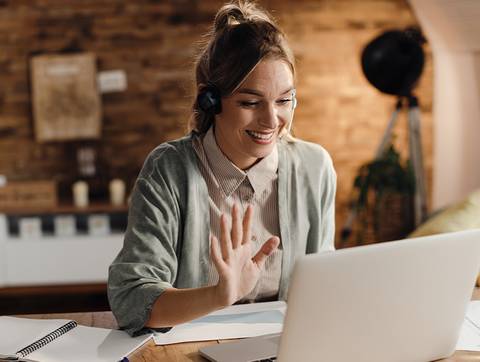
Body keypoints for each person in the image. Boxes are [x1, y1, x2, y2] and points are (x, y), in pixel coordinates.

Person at [108, 0, 336, 337]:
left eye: (284, 100)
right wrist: (218, 296)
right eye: (250, 102)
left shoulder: (315, 167)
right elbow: (131, 301)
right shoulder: (169, 170)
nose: (271, 120)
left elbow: (325, 284)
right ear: (210, 101)